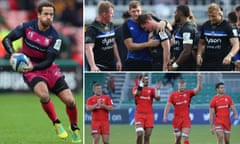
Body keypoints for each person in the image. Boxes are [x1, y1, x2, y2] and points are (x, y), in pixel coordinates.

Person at [2, 1, 81, 143]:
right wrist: (13, 53)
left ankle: (74, 127)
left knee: (70, 101)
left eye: (51, 14)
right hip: (30, 70)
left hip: (48, 69)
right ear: (39, 15)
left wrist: (34, 67)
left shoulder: (55, 37)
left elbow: (49, 61)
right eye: (46, 14)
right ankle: (57, 123)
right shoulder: (27, 27)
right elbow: (7, 39)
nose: (49, 17)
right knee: (44, 95)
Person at [123, 0, 169, 71]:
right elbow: (130, 47)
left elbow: (169, 26)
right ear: (129, 12)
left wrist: (164, 22)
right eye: (133, 11)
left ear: (141, 10)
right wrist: (148, 44)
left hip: (149, 60)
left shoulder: (148, 18)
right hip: (133, 60)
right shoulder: (127, 25)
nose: (136, 14)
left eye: (138, 11)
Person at [197, 3, 239, 71]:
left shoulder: (228, 26)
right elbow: (201, 43)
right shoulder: (205, 25)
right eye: (209, 16)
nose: (211, 19)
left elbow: (236, 44)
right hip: (207, 62)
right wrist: (199, 55)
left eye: (213, 16)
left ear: (220, 14)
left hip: (222, 63)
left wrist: (229, 56)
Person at [163, 74, 202, 144]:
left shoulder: (188, 93)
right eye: (181, 85)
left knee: (185, 136)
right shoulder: (173, 95)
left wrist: (199, 80)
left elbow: (198, 89)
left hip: (186, 119)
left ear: (185, 85)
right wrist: (165, 116)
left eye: (183, 85)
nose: (182, 86)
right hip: (176, 119)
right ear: (178, 85)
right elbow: (168, 105)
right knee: (178, 139)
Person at [85, 0, 122, 71]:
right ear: (104, 14)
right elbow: (88, 48)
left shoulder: (111, 24)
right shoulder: (92, 29)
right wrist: (93, 66)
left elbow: (113, 43)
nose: (113, 15)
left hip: (112, 65)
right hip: (99, 66)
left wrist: (118, 60)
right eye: (111, 13)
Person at [132, 74, 160, 144]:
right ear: (141, 80)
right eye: (145, 80)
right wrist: (141, 84)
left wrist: (158, 90)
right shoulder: (135, 88)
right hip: (139, 115)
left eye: (147, 80)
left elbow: (157, 99)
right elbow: (137, 93)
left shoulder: (151, 90)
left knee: (147, 137)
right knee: (139, 134)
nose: (146, 81)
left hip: (149, 115)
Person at [170, 5, 198, 71]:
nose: (174, 15)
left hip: (186, 67)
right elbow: (179, 47)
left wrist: (175, 65)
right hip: (180, 65)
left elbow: (187, 51)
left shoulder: (187, 28)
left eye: (175, 13)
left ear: (180, 13)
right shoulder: (180, 27)